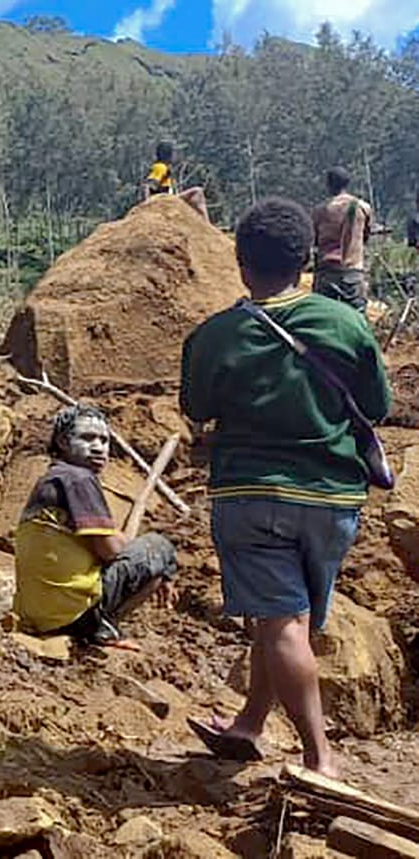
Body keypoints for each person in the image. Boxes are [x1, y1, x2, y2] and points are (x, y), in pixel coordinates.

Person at [181, 197, 390, 776]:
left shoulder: (217, 335)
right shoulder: (346, 322)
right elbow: (377, 404)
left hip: (250, 497)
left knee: (281, 623)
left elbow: (196, 406)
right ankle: (250, 723)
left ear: (241, 261)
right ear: (306, 261)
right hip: (332, 501)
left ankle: (319, 760)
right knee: (279, 619)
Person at [13, 405, 178, 645]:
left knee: (153, 569)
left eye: (104, 440)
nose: (99, 447)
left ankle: (102, 625)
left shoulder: (55, 478)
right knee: (159, 546)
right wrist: (164, 567)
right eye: (87, 438)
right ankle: (101, 628)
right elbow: (110, 551)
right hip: (74, 617)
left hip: (39, 618)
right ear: (62, 441)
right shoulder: (78, 478)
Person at [311, 167, 373, 312]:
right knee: (357, 318)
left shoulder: (319, 211)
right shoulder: (362, 207)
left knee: (324, 318)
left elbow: (314, 240)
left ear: (328, 185)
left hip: (326, 272)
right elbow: (365, 236)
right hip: (352, 270)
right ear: (347, 183)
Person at [144, 141, 209, 221]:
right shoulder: (161, 167)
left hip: (169, 198)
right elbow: (149, 185)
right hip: (165, 200)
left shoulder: (165, 168)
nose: (176, 155)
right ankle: (207, 223)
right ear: (168, 154)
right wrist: (148, 204)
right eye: (174, 153)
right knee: (197, 192)